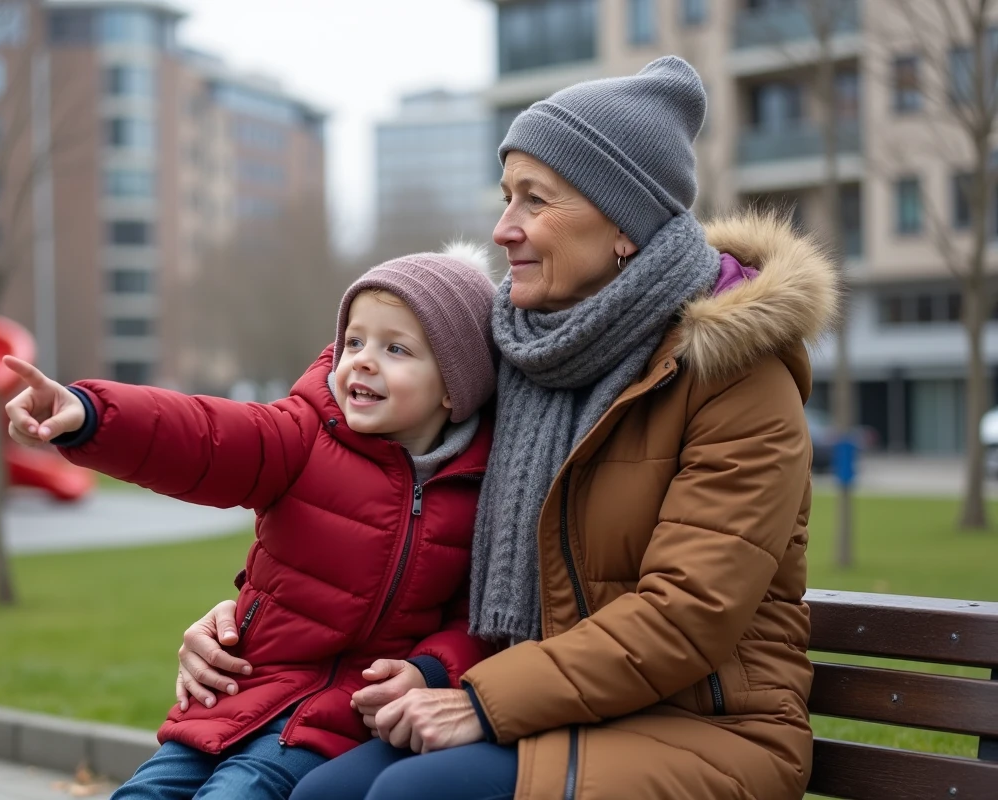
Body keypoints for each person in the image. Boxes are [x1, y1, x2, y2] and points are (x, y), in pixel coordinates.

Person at [176, 56, 839, 800]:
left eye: (535, 200)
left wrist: (485, 702)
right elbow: (375, 501)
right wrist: (242, 622)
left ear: (624, 224)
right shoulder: (515, 353)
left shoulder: (737, 376)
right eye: (505, 197)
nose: (502, 228)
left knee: (407, 797)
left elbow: (686, 616)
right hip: (552, 706)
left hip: (708, 729)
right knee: (320, 795)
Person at [3, 246, 499, 800]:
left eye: (396, 348)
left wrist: (430, 672)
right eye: (354, 341)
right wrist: (92, 416)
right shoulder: (304, 435)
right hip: (238, 689)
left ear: (455, 385)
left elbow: (474, 618)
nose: (361, 360)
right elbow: (204, 437)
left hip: (332, 725)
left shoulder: (479, 491)